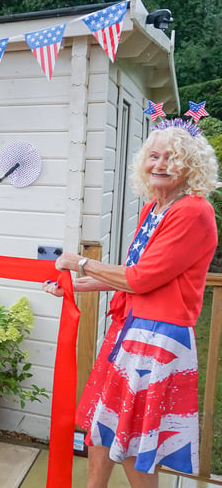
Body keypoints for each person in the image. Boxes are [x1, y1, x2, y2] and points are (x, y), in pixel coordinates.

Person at [43, 120, 219, 487]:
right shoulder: (153, 208)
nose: (161, 164)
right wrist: (77, 285)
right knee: (102, 421)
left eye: (173, 158)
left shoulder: (193, 211)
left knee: (138, 437)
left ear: (191, 166)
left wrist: (80, 262)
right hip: (132, 325)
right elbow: (134, 276)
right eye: (154, 156)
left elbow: (141, 278)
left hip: (160, 337)